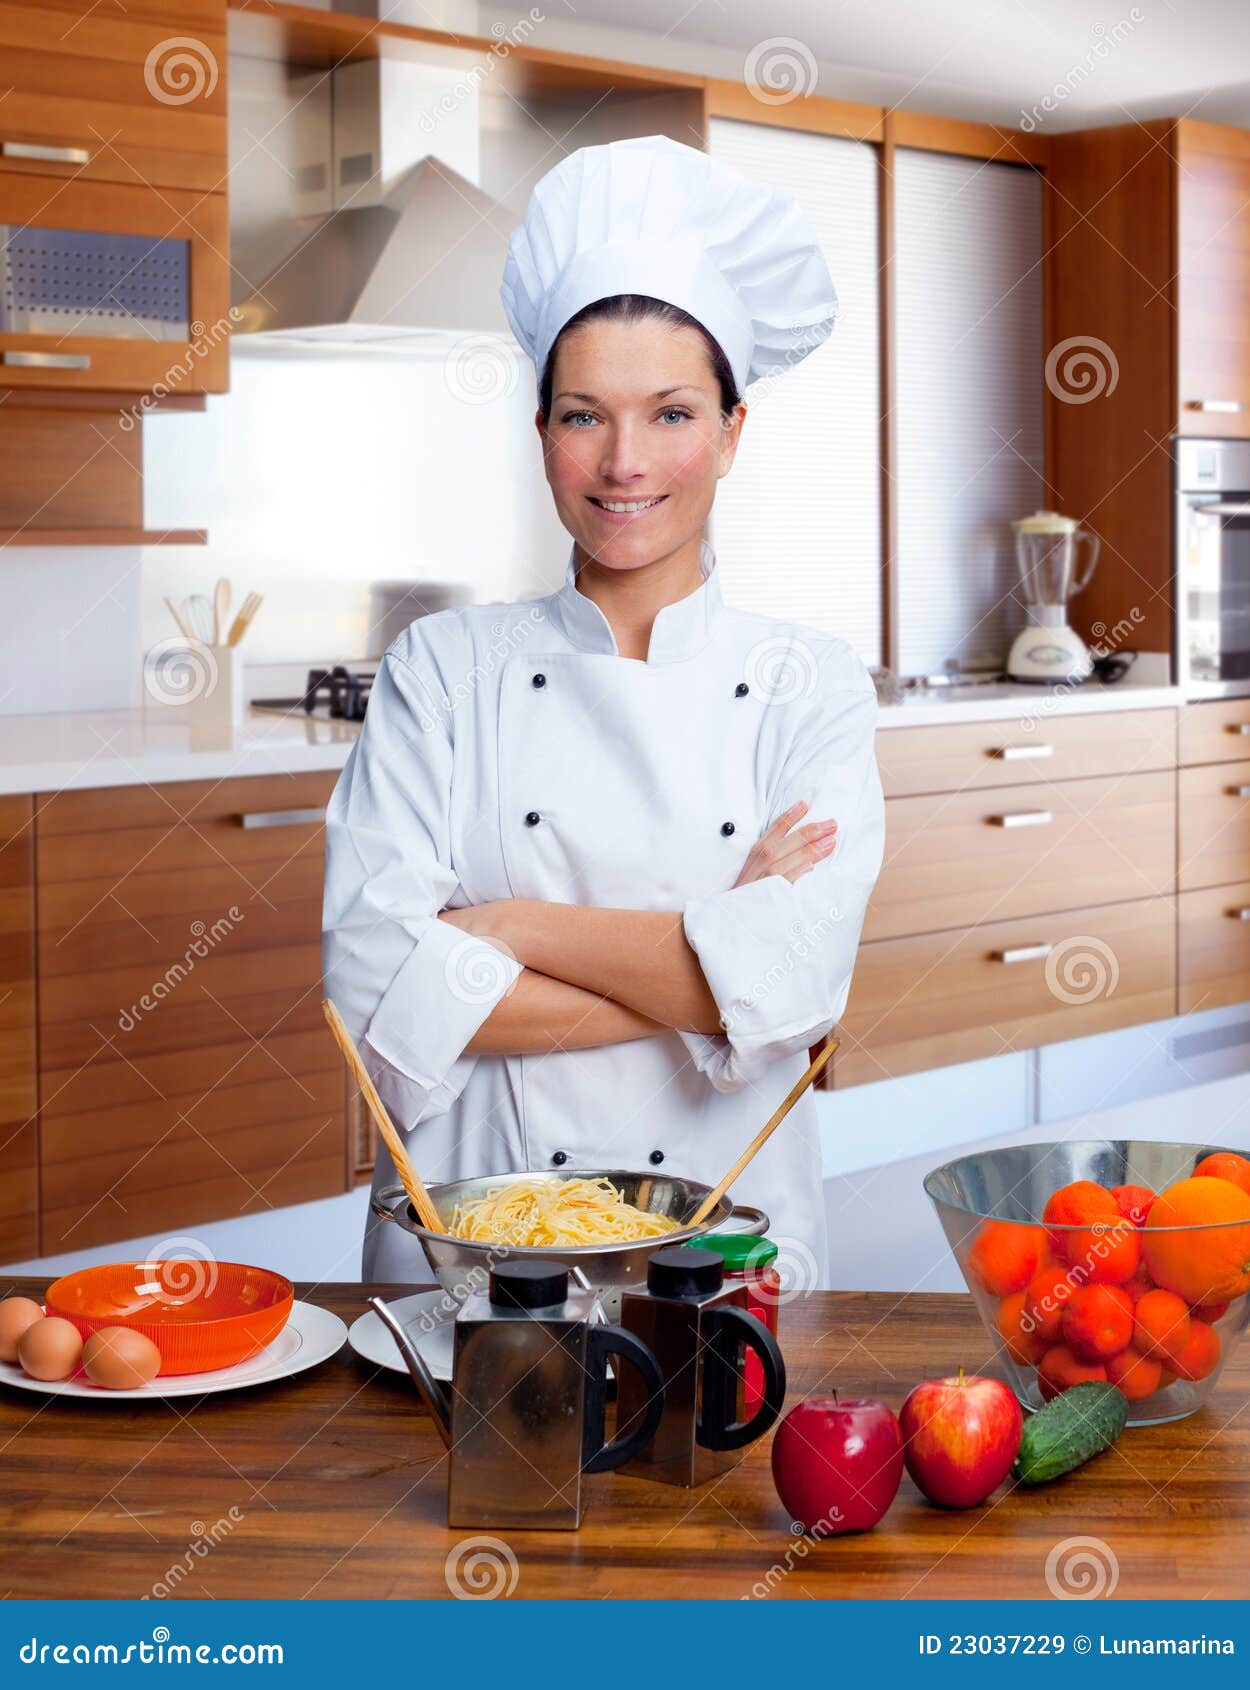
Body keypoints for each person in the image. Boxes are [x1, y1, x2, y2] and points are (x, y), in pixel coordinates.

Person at [322, 134, 886, 1282]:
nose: (625, 461)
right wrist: (714, 977)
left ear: (732, 431)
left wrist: (508, 930)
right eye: (584, 415)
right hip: (471, 1247)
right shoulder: (441, 667)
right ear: (542, 432)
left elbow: (796, 988)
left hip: (719, 1241)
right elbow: (375, 984)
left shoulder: (811, 681)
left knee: (714, 1409)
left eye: (671, 413)